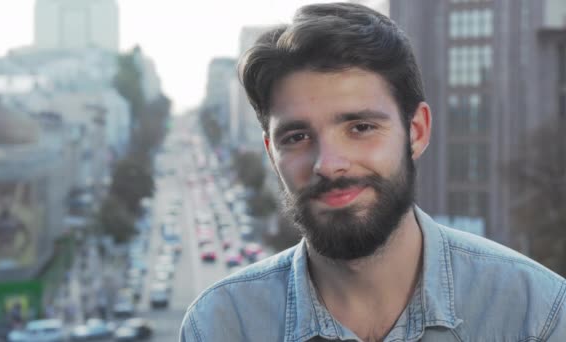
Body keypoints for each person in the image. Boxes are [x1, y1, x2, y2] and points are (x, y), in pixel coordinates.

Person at [180, 3, 566, 341]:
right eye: (297, 136)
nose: (328, 164)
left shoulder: (537, 315)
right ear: (271, 152)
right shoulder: (220, 326)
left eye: (360, 127)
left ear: (416, 132)